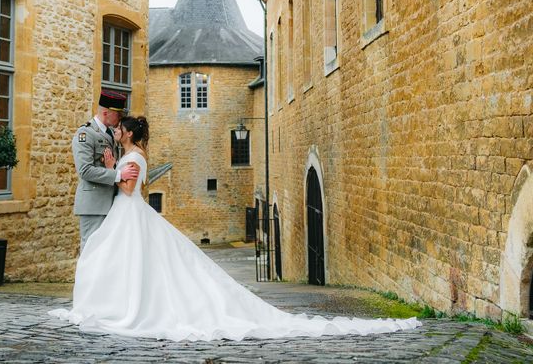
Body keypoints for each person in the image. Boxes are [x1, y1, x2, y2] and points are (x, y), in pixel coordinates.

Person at [51, 116, 421, 341]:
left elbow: (129, 189)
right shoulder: (139, 154)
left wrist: (115, 169)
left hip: (129, 213)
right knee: (132, 263)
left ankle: (120, 307)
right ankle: (117, 303)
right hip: (131, 217)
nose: (115, 133)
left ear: (128, 135)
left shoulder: (130, 157)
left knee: (125, 262)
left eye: (120, 131)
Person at [71, 90, 138, 252]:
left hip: (110, 203)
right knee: (90, 250)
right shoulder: (86, 133)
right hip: (93, 204)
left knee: (104, 253)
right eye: (118, 114)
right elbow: (85, 170)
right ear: (106, 112)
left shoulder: (109, 133)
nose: (120, 118)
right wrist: (119, 175)